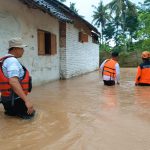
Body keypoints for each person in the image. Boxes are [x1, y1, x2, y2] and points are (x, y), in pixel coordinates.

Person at [0, 37, 35, 119]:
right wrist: (27, 101)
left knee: (11, 118)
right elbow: (13, 82)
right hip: (15, 100)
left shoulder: (4, 60)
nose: (23, 51)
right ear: (15, 49)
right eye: (22, 48)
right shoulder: (12, 62)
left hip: (7, 99)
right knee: (31, 119)